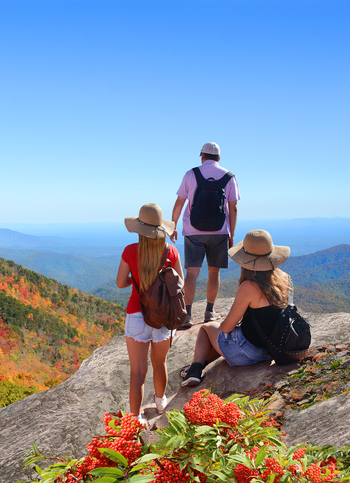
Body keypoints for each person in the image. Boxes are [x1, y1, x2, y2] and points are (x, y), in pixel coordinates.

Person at [181, 229, 291, 386]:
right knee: (219, 338)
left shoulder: (249, 286)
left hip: (248, 353)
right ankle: (197, 366)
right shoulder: (284, 278)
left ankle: (195, 371)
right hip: (273, 349)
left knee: (207, 328)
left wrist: (223, 325)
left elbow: (226, 329)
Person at [116, 203, 184, 426]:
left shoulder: (130, 251)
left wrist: (136, 281)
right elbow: (180, 284)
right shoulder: (171, 251)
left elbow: (119, 283)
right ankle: (160, 402)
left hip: (136, 314)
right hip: (163, 315)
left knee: (137, 371)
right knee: (159, 363)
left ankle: (136, 418)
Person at [170, 142, 240, 328]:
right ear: (218, 158)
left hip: (193, 231)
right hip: (219, 232)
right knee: (214, 271)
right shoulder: (229, 177)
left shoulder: (191, 174)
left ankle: (187, 315)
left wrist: (173, 225)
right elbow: (233, 208)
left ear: (202, 156)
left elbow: (179, 202)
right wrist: (231, 234)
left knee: (191, 273)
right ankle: (209, 312)